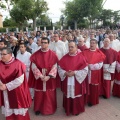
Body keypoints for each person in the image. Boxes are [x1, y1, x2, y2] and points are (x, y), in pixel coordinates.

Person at [28, 37, 58, 115]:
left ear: (48, 44)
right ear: (40, 43)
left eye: (45, 42)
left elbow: (55, 66)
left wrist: (49, 76)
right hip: (39, 79)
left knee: (49, 94)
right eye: (42, 42)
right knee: (39, 94)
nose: (43, 44)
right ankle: (38, 108)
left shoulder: (53, 54)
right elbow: (33, 67)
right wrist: (41, 76)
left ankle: (50, 109)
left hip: (49, 78)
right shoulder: (36, 54)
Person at [0, 47, 31, 120]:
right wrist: (1, 84)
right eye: (1, 54)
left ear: (10, 54)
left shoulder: (18, 64)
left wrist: (6, 86)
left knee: (18, 110)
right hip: (5, 90)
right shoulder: (0, 64)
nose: (2, 56)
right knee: (8, 107)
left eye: (4, 54)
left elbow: (20, 80)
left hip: (17, 91)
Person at [58, 41, 88, 116]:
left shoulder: (81, 57)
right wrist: (65, 73)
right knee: (67, 93)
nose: (70, 48)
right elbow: (59, 68)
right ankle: (67, 108)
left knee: (76, 94)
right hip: (67, 79)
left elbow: (85, 69)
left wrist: (75, 73)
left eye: (72, 47)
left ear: (76, 48)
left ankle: (77, 109)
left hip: (76, 80)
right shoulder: (64, 57)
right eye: (69, 47)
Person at [82, 39, 105, 106]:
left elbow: (100, 65)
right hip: (86, 73)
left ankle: (92, 101)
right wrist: (86, 65)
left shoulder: (100, 53)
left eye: (93, 43)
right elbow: (81, 61)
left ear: (96, 44)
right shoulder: (85, 52)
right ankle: (86, 100)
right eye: (91, 43)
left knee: (93, 88)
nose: (92, 44)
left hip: (95, 73)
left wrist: (90, 66)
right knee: (86, 86)